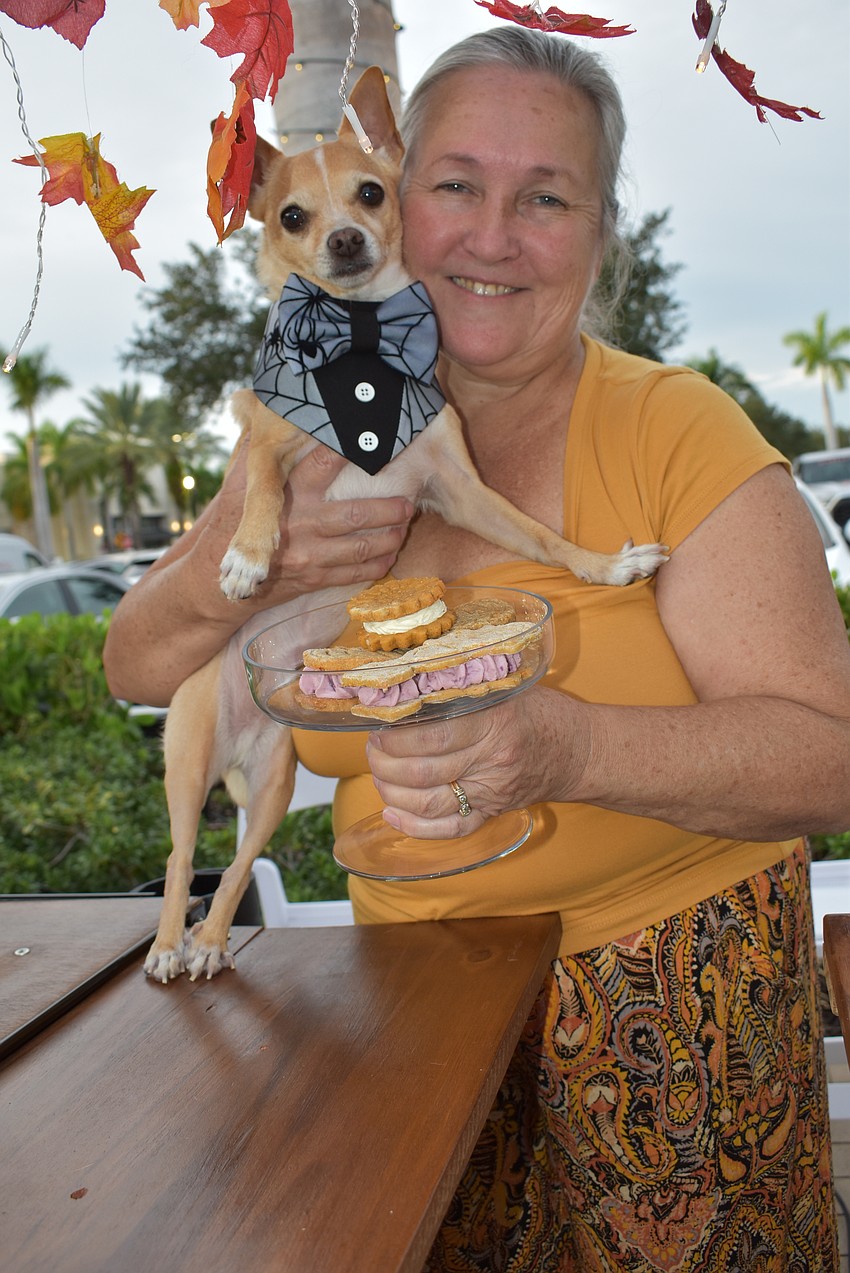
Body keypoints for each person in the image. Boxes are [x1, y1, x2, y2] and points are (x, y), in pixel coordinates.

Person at [104, 26, 850, 1271]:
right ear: (395, 192)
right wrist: (255, 566)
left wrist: (562, 747)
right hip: (406, 1013)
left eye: (544, 197)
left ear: (598, 232)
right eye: (454, 185)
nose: (491, 236)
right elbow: (136, 660)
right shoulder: (313, 442)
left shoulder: (675, 430)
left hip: (676, 1008)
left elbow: (834, 756)